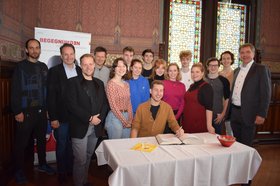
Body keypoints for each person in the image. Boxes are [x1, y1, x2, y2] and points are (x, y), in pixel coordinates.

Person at [11, 39, 55, 184]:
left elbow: (47, 90)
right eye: (31, 48)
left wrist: (48, 109)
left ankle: (42, 164)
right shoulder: (20, 67)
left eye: (37, 48)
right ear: (26, 50)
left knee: (41, 141)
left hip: (42, 111)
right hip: (25, 112)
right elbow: (15, 90)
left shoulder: (43, 67)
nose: (35, 50)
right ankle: (18, 171)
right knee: (21, 144)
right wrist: (17, 111)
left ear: (40, 50)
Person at [66, 54, 108, 186]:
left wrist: (99, 118)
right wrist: (89, 118)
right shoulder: (72, 82)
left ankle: (84, 181)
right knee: (80, 159)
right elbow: (71, 105)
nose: (88, 67)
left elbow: (105, 104)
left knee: (89, 156)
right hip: (80, 126)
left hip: (96, 127)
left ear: (94, 65)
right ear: (81, 66)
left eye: (91, 64)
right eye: (85, 64)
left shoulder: (99, 83)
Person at [47, 43, 82, 183]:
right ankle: (61, 171)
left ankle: (69, 169)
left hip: (76, 117)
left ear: (74, 55)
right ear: (61, 56)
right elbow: (50, 96)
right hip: (61, 117)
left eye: (71, 54)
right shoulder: (54, 71)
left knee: (72, 145)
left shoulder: (79, 70)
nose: (69, 57)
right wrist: (53, 117)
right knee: (61, 144)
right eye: (65, 54)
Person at [230, 43, 271, 146]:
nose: (245, 55)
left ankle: (246, 162)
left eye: (248, 52)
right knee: (237, 143)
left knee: (246, 144)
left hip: (250, 113)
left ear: (253, 54)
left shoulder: (261, 69)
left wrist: (262, 114)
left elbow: (266, 93)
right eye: (242, 53)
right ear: (239, 55)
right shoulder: (236, 71)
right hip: (234, 112)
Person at [182, 63, 215, 134]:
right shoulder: (191, 86)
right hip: (187, 123)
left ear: (202, 73)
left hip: (198, 124)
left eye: (197, 72)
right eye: (192, 72)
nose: (194, 74)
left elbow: (209, 108)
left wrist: (209, 126)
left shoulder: (206, 87)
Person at [105, 58, 133, 139]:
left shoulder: (126, 84)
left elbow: (129, 103)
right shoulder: (111, 84)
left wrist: (130, 119)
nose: (122, 68)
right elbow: (113, 106)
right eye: (118, 66)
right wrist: (124, 122)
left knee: (125, 145)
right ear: (114, 69)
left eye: (124, 66)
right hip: (115, 117)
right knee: (114, 146)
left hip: (127, 116)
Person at [205, 57, 230, 134]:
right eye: (211, 65)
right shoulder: (203, 79)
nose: (213, 67)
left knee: (216, 139)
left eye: (215, 65)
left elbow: (227, 99)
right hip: (203, 114)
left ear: (219, 67)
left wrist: (223, 114)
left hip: (217, 115)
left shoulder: (224, 81)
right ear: (207, 67)